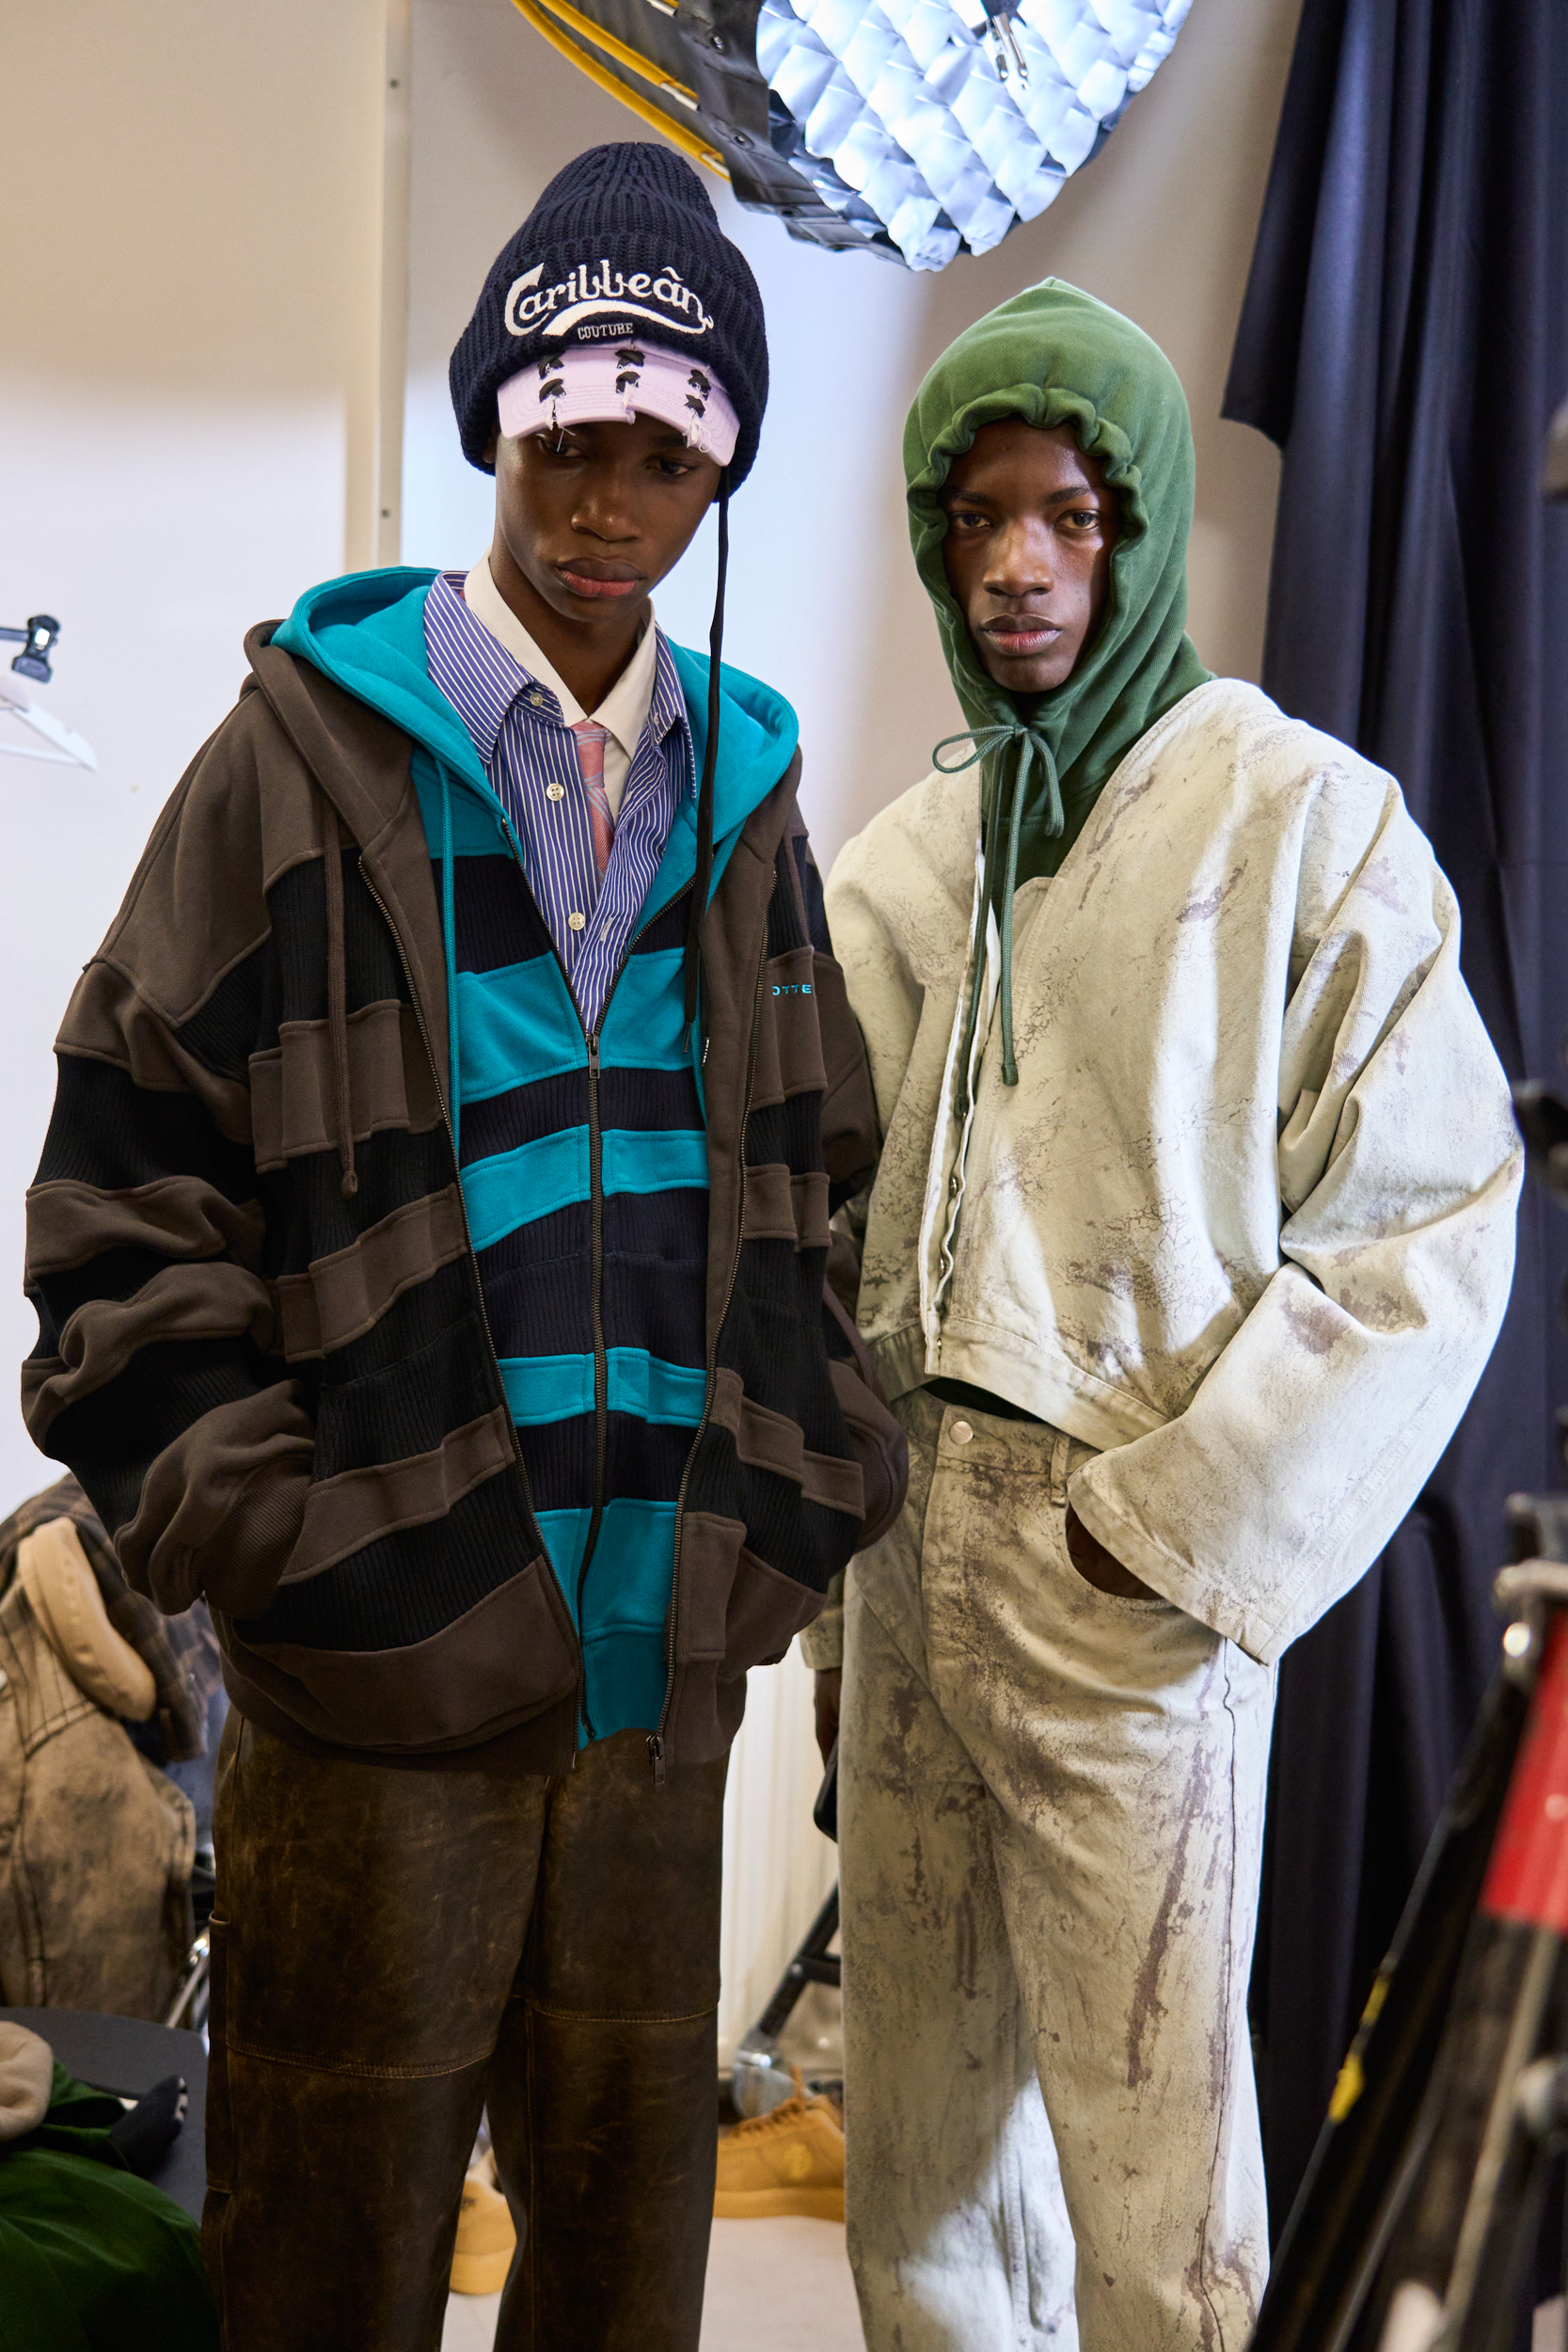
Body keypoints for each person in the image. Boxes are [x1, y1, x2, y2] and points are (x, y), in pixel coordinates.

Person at [21, 142, 903, 2352]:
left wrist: (788, 1505)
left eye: (665, 460)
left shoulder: (744, 808)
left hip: (653, 1690)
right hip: (375, 1670)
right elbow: (123, 1182)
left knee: (619, 2272)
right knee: (325, 2256)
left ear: (717, 484)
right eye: (570, 438)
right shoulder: (296, 769)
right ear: (496, 422)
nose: (609, 504)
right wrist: (279, 1536)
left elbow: (829, 1180)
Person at [807, 279, 1521, 2351]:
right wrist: (853, 1562)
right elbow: (830, 1232)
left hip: (1123, 1577)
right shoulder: (907, 857)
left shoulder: (1303, 821)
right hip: (909, 1558)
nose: (1018, 564)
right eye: (976, 519)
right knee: (920, 2164)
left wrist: (1174, 1530)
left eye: (1071, 514)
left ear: (1140, 530)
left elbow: (1431, 1221)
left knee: (1161, 2195)